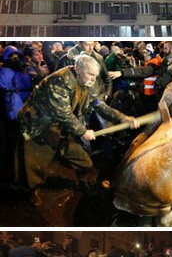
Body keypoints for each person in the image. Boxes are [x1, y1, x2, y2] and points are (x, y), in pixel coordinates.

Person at [15, 54, 138, 205]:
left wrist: (122, 118)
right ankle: (33, 190)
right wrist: (82, 131)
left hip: (64, 126)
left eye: (95, 76)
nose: (93, 79)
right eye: (90, 74)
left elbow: (99, 105)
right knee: (34, 165)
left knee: (82, 159)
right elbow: (63, 113)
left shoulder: (88, 82)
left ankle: (85, 182)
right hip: (40, 126)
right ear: (78, 69)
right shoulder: (60, 80)